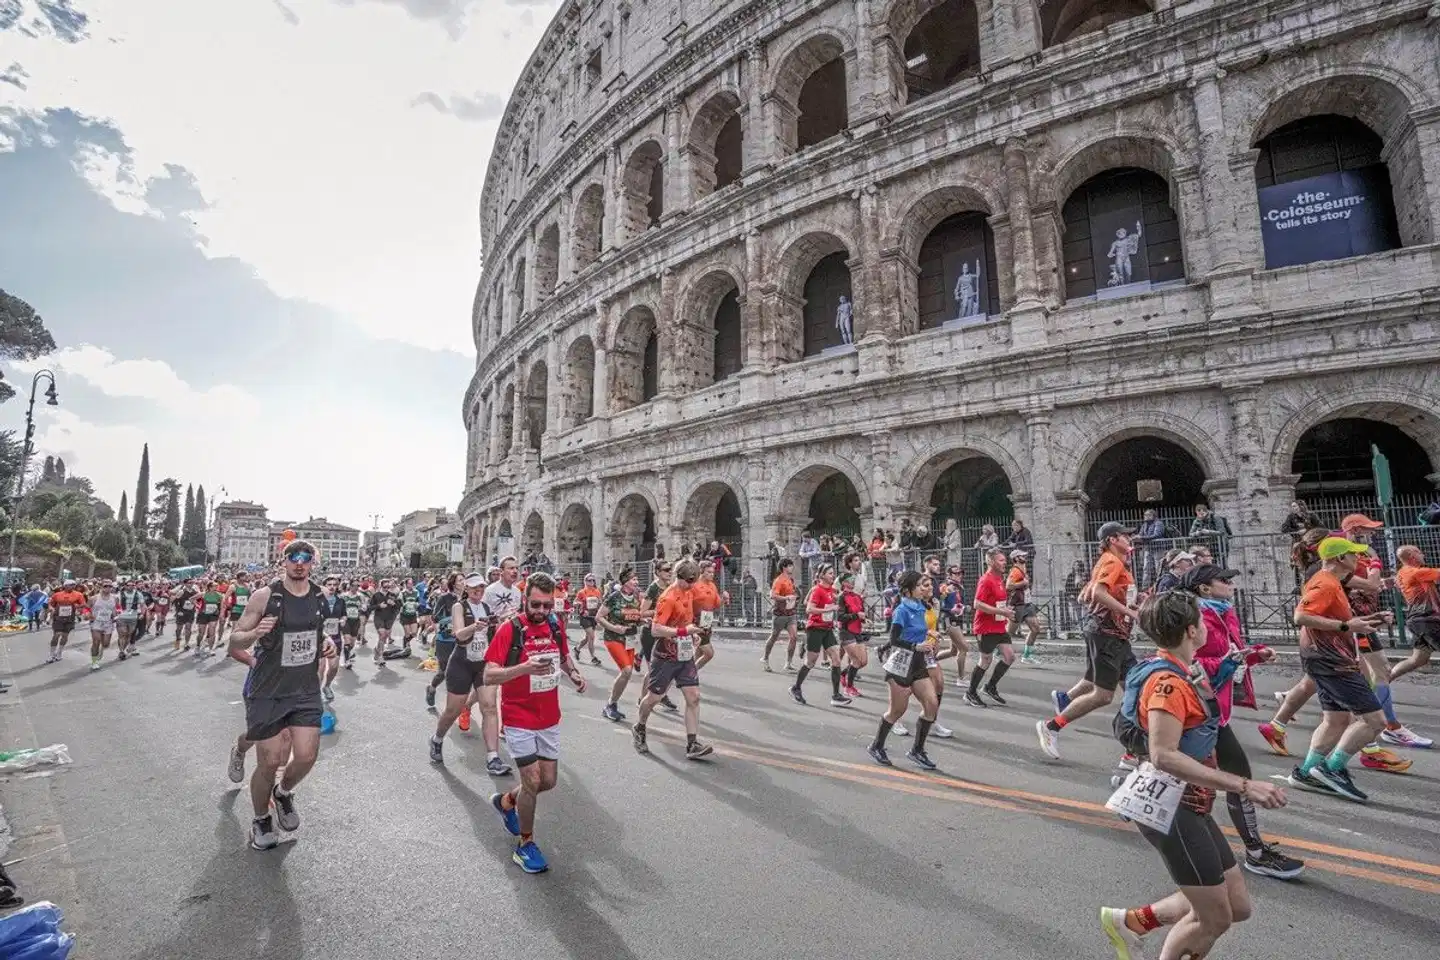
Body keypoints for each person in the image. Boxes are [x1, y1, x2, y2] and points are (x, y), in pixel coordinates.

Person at [1099, 591, 1285, 960]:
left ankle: (1134, 921)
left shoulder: (1181, 669)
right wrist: (1244, 785)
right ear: (1191, 630)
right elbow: (1163, 754)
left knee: (1237, 906)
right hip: (1171, 808)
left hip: (1191, 803)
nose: (1206, 627)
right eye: (1202, 621)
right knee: (1214, 918)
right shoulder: (1168, 684)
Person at [1181, 564, 1304, 880]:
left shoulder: (1223, 613)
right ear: (1205, 589)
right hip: (1200, 711)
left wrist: (1254, 655)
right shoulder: (1198, 617)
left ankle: (1253, 852)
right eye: (1224, 580)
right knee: (1230, 779)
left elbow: (1230, 655)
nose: (1231, 584)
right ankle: (1255, 853)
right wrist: (1231, 660)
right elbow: (1190, 663)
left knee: (1191, 777)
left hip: (1215, 711)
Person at [226, 539, 338, 850]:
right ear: (283, 561)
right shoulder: (266, 596)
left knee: (306, 756)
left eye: (306, 558)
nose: (299, 563)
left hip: (303, 689)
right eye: (293, 557)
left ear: (313, 563)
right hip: (269, 690)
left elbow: (317, 631)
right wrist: (255, 633)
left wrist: (327, 642)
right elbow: (234, 640)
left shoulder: (320, 596)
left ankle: (284, 792)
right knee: (270, 760)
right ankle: (261, 818)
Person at [485, 571, 587, 874]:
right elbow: (490, 674)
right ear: (525, 600)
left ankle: (505, 802)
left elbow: (565, 657)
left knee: (547, 782)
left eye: (547, 605)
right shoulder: (510, 629)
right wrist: (524, 668)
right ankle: (525, 844)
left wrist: (575, 674)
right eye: (536, 605)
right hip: (518, 716)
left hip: (548, 716)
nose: (541, 611)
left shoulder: (555, 624)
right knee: (531, 781)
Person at [1287, 537, 1393, 802]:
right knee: (1375, 721)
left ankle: (1307, 772)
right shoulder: (1324, 582)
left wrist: (1370, 621)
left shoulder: (1332, 583)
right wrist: (1347, 628)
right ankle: (1331, 768)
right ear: (1339, 559)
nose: (1358, 560)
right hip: (1332, 661)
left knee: (1337, 720)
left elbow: (1342, 622)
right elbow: (1300, 616)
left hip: (1324, 659)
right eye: (1353, 555)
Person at [1038, 521, 1139, 760]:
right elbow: (1098, 593)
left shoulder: (1111, 561)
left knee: (1135, 689)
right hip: (1107, 633)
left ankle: (1133, 752)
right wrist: (1130, 613)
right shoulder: (1112, 561)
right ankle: (1051, 726)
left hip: (1114, 634)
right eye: (1125, 536)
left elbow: (1092, 592)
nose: (1130, 539)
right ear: (1113, 540)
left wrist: (1133, 603)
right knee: (1104, 695)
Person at [429, 574, 511, 776]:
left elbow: (496, 634)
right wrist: (475, 626)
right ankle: (437, 739)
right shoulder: (460, 606)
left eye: (482, 587)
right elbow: (458, 634)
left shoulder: (486, 607)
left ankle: (493, 757)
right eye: (474, 587)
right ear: (466, 588)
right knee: (453, 711)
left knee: (490, 707)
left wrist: (503, 622)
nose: (479, 591)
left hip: (482, 663)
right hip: (461, 663)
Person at [632, 560, 713, 759]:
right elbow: (656, 629)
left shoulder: (688, 591)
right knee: (654, 698)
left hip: (684, 654)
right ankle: (639, 727)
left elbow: (686, 618)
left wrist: (691, 633)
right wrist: (683, 631)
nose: (692, 585)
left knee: (693, 697)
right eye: (689, 582)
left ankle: (692, 744)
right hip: (665, 656)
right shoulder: (667, 598)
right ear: (680, 578)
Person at [867, 571, 943, 770]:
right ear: (909, 590)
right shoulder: (901, 610)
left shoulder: (919, 606)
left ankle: (917, 750)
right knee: (897, 711)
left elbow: (916, 628)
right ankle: (876, 746)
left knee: (932, 704)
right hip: (901, 664)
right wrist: (915, 646)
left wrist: (928, 632)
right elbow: (894, 640)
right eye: (919, 586)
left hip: (918, 663)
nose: (923, 589)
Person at [789, 563, 851, 708]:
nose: (832, 575)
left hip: (827, 629)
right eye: (829, 573)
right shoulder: (817, 590)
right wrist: (828, 609)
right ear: (822, 575)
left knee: (836, 659)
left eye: (832, 573)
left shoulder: (830, 590)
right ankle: (796, 688)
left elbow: (836, 596)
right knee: (811, 662)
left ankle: (836, 695)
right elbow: (809, 609)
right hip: (815, 629)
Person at [966, 548, 1015, 706]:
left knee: (1009, 656)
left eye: (1004, 559)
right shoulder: (985, 579)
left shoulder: (1000, 578)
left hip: (999, 625)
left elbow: (996, 600)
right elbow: (977, 604)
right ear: (991, 562)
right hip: (985, 627)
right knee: (985, 660)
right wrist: (1002, 611)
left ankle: (990, 687)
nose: (1005, 562)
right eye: (1001, 560)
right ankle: (970, 693)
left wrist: (1006, 611)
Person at [596, 566, 643, 722]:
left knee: (627, 674)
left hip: (629, 640)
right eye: (633, 579)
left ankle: (612, 704)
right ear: (625, 582)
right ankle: (610, 705)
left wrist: (643, 620)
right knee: (627, 671)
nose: (636, 581)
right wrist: (614, 627)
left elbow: (635, 616)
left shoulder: (636, 598)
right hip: (613, 638)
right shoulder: (614, 597)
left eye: (636, 579)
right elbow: (599, 617)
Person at [1391, 545, 1440, 681]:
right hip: (1427, 620)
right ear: (1412, 556)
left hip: (1417, 620)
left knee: (1418, 659)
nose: (1423, 554)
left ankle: (1383, 682)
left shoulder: (1402, 573)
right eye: (1419, 552)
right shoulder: (1416, 572)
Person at [763, 558, 800, 672]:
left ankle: (788, 663)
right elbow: (773, 595)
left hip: (791, 613)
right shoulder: (778, 580)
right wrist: (786, 598)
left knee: (794, 637)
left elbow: (792, 593)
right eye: (790, 566)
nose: (792, 568)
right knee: (774, 637)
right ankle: (765, 658)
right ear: (784, 567)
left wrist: (795, 598)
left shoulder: (791, 580)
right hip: (780, 614)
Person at [1005, 549, 1041, 662]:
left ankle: (1026, 656)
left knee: (1035, 629)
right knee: (1009, 632)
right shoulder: (1015, 571)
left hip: (1027, 603)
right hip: (1018, 605)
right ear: (1016, 558)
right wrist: (1023, 583)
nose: (1024, 557)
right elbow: (1008, 586)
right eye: (1022, 556)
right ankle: (996, 651)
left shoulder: (1022, 570)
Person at [46, 580, 86, 663]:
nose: (73, 586)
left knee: (65, 636)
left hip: (70, 618)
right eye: (71, 585)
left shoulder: (78, 595)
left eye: (74, 585)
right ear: (65, 586)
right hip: (58, 617)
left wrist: (77, 607)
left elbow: (83, 604)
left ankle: (59, 652)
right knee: (57, 635)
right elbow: (50, 604)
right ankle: (51, 654)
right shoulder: (57, 595)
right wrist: (51, 608)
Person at [86, 580, 118, 671]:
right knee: (96, 641)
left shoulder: (115, 598)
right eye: (105, 586)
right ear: (101, 587)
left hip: (108, 623)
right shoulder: (94, 598)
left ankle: (101, 650)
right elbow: (86, 608)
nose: (108, 588)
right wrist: (88, 614)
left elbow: (118, 607)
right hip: (96, 623)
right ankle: (94, 662)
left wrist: (117, 614)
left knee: (106, 644)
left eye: (109, 586)